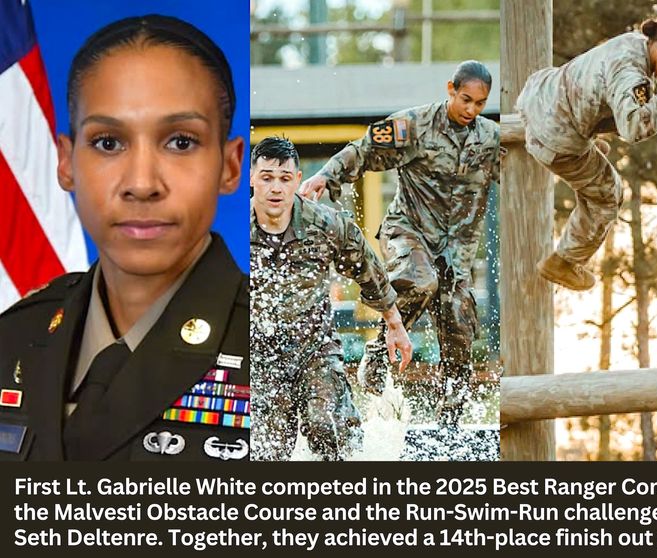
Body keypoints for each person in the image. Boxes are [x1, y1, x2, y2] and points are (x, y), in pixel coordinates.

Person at [0, 15, 248, 461]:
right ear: (66, 163)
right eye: (108, 143)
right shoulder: (13, 337)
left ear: (230, 165)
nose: (141, 183)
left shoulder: (272, 347)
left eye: (180, 142)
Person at [298, 61, 501, 428]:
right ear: (451, 89)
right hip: (409, 231)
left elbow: (523, 171)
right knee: (420, 279)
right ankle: (377, 351)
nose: (471, 110)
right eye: (466, 99)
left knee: (459, 320)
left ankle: (451, 421)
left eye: (480, 103)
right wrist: (326, 174)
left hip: (457, 250)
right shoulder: (414, 125)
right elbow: (363, 151)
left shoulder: (490, 138)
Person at [250, 136, 412, 461]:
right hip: (258, 359)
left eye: (284, 179)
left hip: (315, 351)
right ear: (251, 178)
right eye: (266, 178)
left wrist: (395, 325)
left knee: (331, 429)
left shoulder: (324, 224)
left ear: (297, 180)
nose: (275, 189)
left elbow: (369, 270)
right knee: (267, 451)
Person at [516, 16, 657, 291]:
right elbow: (634, 127)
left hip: (537, 97)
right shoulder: (631, 74)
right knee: (609, 195)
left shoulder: (633, 42)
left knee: (599, 155)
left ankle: (588, 157)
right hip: (554, 137)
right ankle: (563, 261)